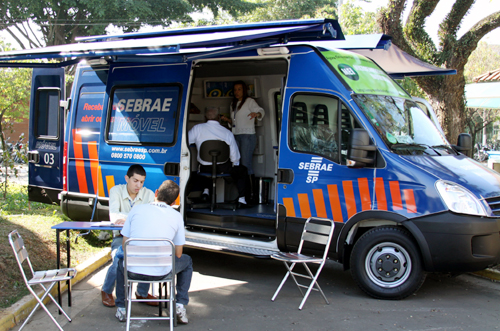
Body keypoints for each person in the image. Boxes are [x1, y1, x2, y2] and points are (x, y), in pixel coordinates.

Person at [114, 180, 193, 325]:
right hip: (162, 272)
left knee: (120, 262)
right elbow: (179, 254)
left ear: (156, 193)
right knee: (187, 261)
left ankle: (121, 308)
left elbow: (125, 244)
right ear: (174, 201)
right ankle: (180, 305)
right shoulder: (176, 217)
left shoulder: (136, 210)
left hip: (132, 270)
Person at [101, 164, 156, 308]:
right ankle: (106, 291)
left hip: (140, 238)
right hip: (120, 237)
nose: (139, 185)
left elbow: (149, 218)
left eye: (142, 181)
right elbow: (113, 216)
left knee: (151, 257)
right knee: (118, 259)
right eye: (135, 180)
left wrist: (127, 218)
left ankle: (142, 293)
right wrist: (137, 217)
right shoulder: (116, 191)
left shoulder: (148, 194)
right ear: (127, 178)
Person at [189, 107, 248, 207]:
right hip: (223, 168)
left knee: (205, 165)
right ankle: (242, 200)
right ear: (218, 118)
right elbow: (235, 156)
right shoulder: (227, 133)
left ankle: (206, 192)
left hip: (205, 168)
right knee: (242, 170)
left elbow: (186, 142)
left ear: (205, 117)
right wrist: (235, 165)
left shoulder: (197, 128)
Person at [221, 80, 265, 202]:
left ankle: (251, 195)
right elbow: (235, 123)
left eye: (239, 89)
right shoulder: (233, 104)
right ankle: (241, 195)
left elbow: (261, 111)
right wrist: (228, 120)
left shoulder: (249, 101)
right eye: (235, 90)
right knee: (237, 164)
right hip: (235, 136)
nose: (236, 92)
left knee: (246, 165)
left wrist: (256, 114)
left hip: (247, 135)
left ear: (244, 90)